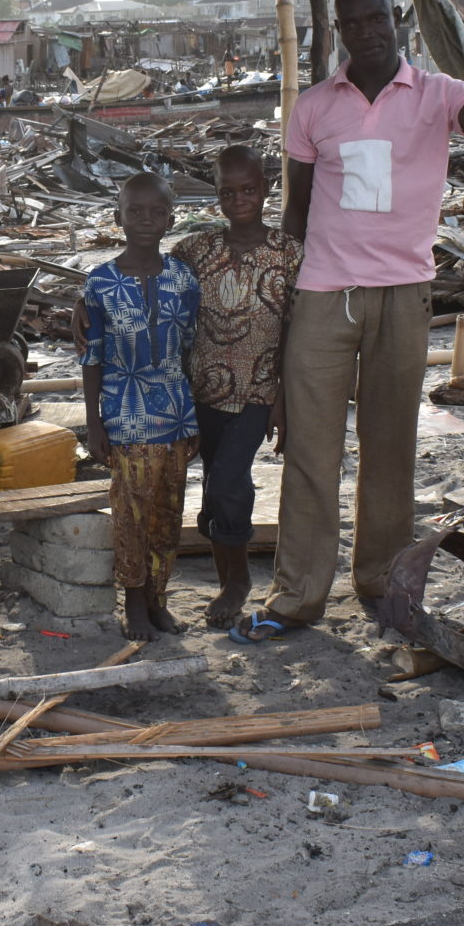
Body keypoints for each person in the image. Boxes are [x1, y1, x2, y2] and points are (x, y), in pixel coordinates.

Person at [229, 0, 464, 644]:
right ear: (337, 30)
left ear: (397, 20)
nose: (365, 31)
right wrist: (277, 309)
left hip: (403, 295)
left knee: (390, 450)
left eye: (375, 18)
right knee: (310, 449)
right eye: (350, 22)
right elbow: (296, 213)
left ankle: (381, 582)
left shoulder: (438, 95)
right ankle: (298, 596)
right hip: (324, 295)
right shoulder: (312, 108)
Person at [172, 146, 301, 627]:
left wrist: (282, 402)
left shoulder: (288, 252)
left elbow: (294, 330)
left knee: (229, 478)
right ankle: (227, 572)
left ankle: (237, 581)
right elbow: (145, 273)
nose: (239, 200)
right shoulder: (195, 250)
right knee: (213, 481)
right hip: (201, 389)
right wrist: (86, 301)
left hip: (257, 392)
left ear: (264, 189)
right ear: (218, 196)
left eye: (248, 190)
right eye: (228, 192)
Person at [80, 172, 201, 641]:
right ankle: (133, 604)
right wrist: (94, 424)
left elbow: (188, 349)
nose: (146, 221)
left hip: (174, 414)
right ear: (118, 217)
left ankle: (158, 600)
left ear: (171, 219)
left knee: (168, 514)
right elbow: (92, 358)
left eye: (156, 212)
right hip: (124, 417)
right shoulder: (100, 283)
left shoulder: (182, 278)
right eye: (135, 212)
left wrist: (194, 416)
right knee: (130, 514)